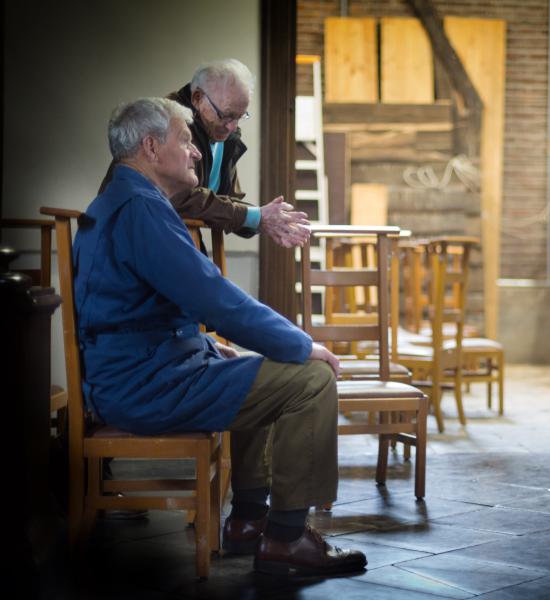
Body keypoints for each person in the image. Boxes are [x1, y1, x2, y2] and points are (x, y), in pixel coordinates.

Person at [75, 97, 365, 577]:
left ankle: (249, 523)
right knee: (309, 378)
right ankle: (288, 539)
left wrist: (211, 346)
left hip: (139, 375)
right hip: (146, 386)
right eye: (186, 141)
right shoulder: (140, 209)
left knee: (256, 369)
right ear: (150, 147)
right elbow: (214, 298)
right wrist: (301, 343)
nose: (196, 153)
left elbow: (149, 308)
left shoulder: (127, 201)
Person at [101, 58, 309, 248]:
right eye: (226, 116)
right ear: (198, 98)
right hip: (131, 241)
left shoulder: (225, 133)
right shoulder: (169, 121)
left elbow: (225, 202)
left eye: (239, 117)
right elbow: (177, 194)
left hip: (173, 237)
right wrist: (256, 216)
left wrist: (265, 220)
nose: (231, 127)